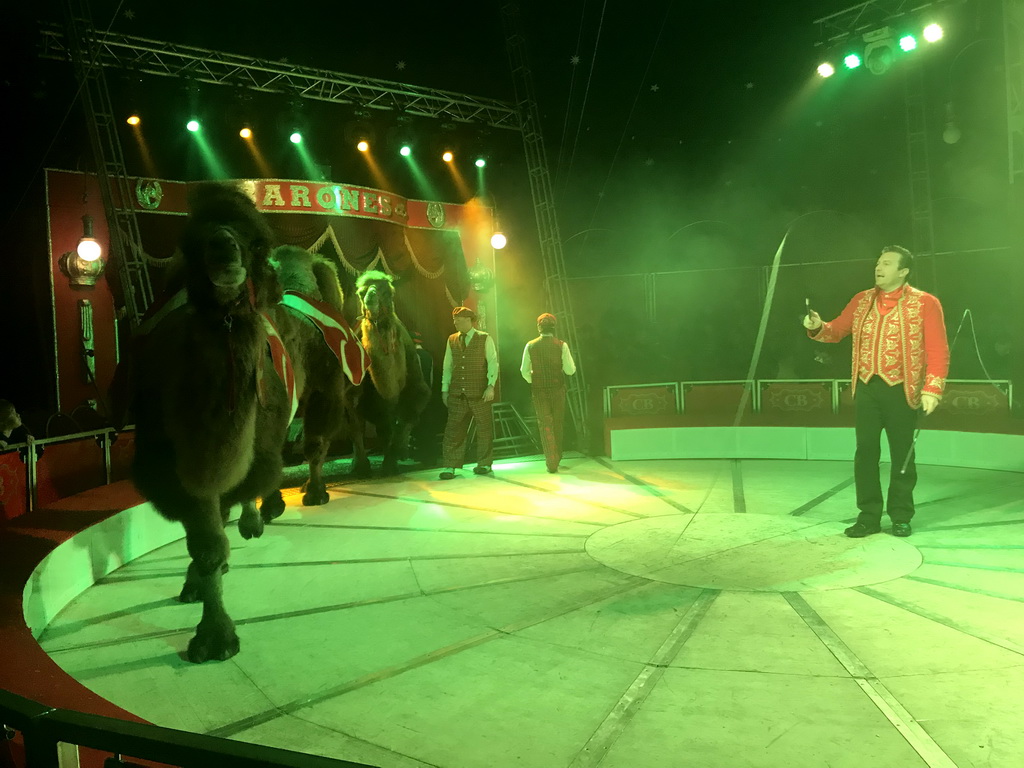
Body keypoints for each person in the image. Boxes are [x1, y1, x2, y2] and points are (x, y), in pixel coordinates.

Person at [804, 245, 949, 538]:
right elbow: (837, 331)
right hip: (867, 387)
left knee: (902, 455)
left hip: (903, 389)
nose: (878, 268)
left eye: (886, 263)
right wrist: (818, 326)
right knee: (865, 452)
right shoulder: (862, 301)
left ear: (903, 271)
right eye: (878, 263)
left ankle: (900, 515)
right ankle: (868, 516)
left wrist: (932, 388)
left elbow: (938, 349)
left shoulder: (925, 303)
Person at [438, 307, 499, 479]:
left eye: (458, 318)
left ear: (468, 319)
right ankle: (450, 466)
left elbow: (493, 363)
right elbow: (447, 366)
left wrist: (490, 386)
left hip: (480, 393)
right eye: (454, 319)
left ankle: (484, 464)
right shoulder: (452, 340)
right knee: (453, 430)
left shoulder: (484, 338)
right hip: (457, 394)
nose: (455, 322)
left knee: (484, 429)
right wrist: (445, 389)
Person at [520, 313, 577, 473]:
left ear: (539, 327)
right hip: (558, 389)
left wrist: (535, 381)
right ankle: (557, 457)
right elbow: (570, 370)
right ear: (554, 327)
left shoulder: (530, 345)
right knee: (557, 422)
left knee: (545, 424)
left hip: (539, 391)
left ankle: (550, 460)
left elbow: (524, 371)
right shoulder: (561, 345)